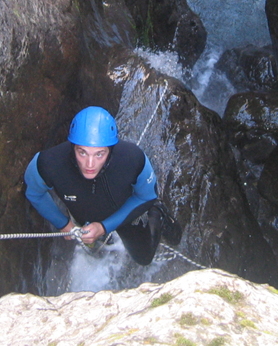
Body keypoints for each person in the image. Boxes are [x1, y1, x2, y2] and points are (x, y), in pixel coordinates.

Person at [24, 106, 182, 266]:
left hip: (126, 212)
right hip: (82, 217)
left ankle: (158, 213)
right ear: (72, 146)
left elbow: (147, 196)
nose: (90, 164)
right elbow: (34, 193)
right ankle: (98, 239)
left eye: (99, 154)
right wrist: (62, 223)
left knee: (143, 257)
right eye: (82, 153)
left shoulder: (132, 159)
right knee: (92, 246)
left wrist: (104, 227)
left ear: (111, 149)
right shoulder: (48, 163)